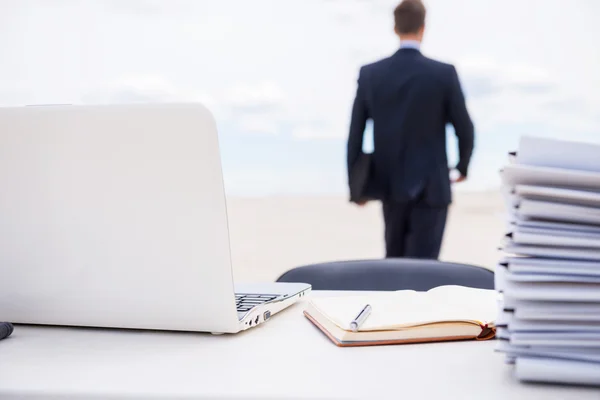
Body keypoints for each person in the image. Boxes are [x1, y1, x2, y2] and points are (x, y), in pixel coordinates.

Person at [346, 0, 474, 259]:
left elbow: (355, 134)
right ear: (423, 28)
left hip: (389, 186)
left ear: (395, 27)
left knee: (394, 267)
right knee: (425, 272)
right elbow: (465, 128)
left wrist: (357, 187)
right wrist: (462, 167)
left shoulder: (371, 74)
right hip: (433, 189)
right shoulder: (443, 74)